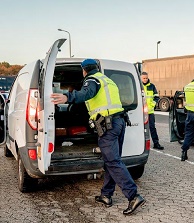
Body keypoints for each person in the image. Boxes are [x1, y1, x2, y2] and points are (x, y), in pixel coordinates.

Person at [51, 59, 145, 215]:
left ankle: (133, 196)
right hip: (119, 122)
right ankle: (106, 195)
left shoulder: (92, 80)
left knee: (113, 161)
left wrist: (68, 97)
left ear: (84, 70)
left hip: (109, 126)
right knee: (112, 160)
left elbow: (87, 93)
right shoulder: (108, 80)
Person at [141, 71, 164, 150]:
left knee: (152, 128)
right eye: (144, 78)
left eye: (146, 78)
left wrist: (152, 105)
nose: (145, 79)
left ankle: (156, 143)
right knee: (141, 128)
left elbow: (156, 97)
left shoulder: (152, 86)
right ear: (141, 78)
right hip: (140, 112)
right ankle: (142, 144)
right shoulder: (139, 86)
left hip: (150, 112)